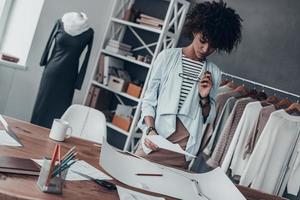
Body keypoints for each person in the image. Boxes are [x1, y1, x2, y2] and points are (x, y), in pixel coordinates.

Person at [135, 1, 242, 170]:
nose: (206, 49)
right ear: (195, 30)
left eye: (213, 46)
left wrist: (204, 97)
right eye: (203, 40)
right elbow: (149, 100)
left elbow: (209, 116)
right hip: (156, 136)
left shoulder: (214, 72)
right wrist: (150, 130)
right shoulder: (167, 57)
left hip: (183, 148)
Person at [31, 12, 94, 128]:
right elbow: (48, 45)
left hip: (69, 77)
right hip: (51, 72)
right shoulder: (60, 23)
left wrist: (79, 81)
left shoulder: (89, 32)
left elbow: (87, 59)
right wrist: (43, 61)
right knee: (41, 107)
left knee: (60, 113)